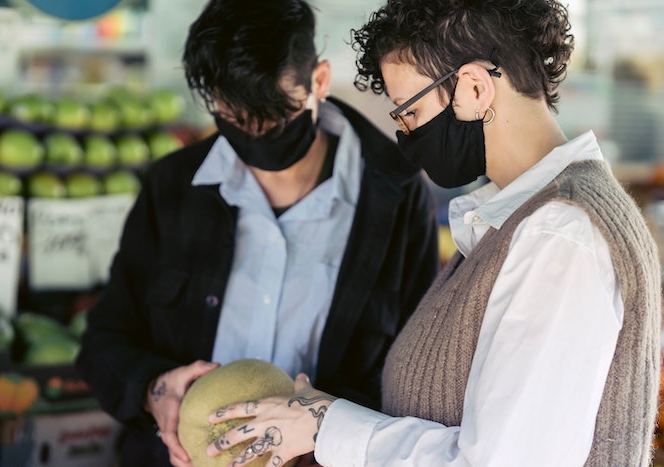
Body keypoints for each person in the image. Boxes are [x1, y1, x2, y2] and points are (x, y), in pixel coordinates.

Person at [206, 0, 662, 466]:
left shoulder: (560, 235)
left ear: (474, 87)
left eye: (410, 112)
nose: (405, 135)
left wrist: (328, 425)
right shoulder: (518, 222)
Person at [75, 0, 440, 466]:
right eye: (235, 117)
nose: (255, 133)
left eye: (272, 114)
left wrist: (327, 430)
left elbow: (413, 371)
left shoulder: (395, 197)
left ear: (320, 81)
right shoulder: (174, 187)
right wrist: (155, 390)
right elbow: (104, 340)